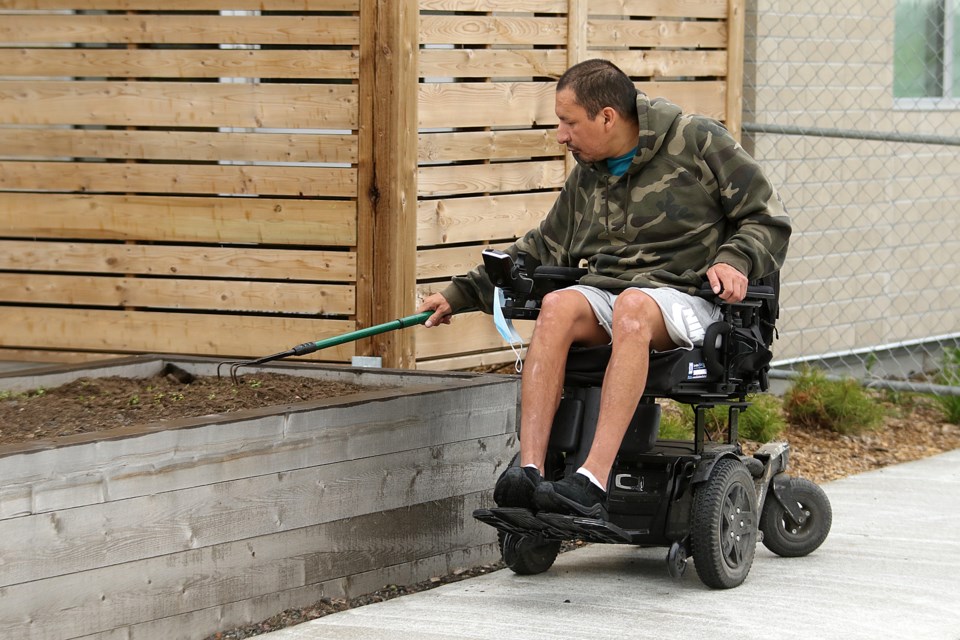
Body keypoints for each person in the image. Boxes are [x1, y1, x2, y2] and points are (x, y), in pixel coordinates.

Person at [417, 59, 791, 520]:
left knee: (633, 306)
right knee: (558, 304)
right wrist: (457, 295)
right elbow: (541, 246)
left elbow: (767, 218)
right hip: (616, 297)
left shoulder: (698, 141)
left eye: (569, 122)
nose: (561, 135)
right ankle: (530, 471)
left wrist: (735, 260)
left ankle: (592, 479)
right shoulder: (588, 172)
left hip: (693, 298)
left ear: (607, 117)